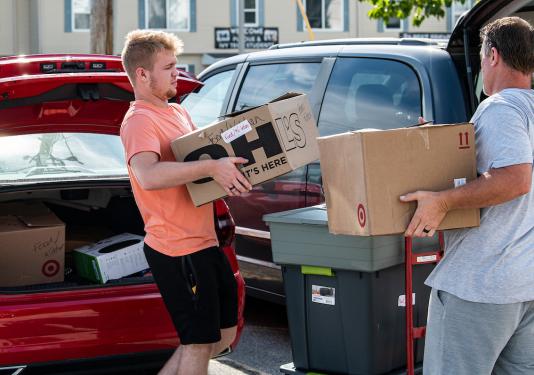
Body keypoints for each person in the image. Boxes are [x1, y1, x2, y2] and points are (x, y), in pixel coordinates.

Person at [400, 17, 534, 374]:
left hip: (481, 283)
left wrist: (442, 201)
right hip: (525, 284)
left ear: (492, 55)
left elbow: (517, 178)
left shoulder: (502, 107)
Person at [119, 30, 252, 375]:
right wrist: (211, 166)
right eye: (168, 67)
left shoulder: (177, 113)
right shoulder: (139, 121)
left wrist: (227, 177)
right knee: (198, 344)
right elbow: (147, 175)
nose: (177, 72)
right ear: (142, 75)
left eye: (176, 65)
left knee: (219, 337)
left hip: (204, 242)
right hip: (176, 249)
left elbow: (193, 174)